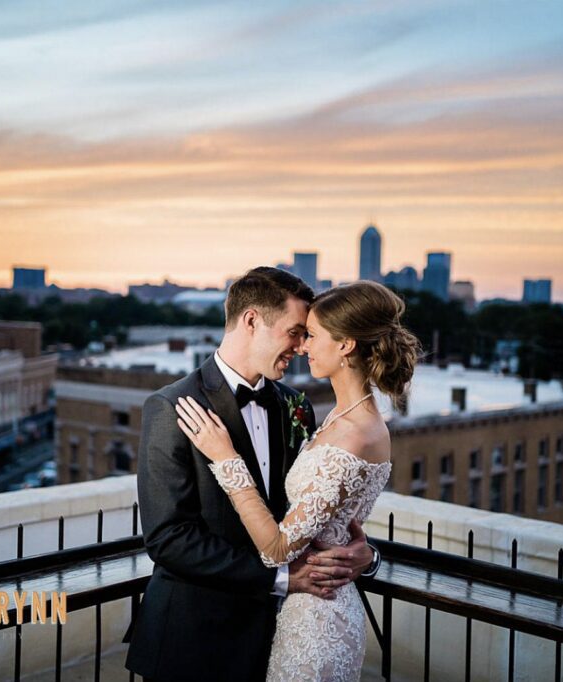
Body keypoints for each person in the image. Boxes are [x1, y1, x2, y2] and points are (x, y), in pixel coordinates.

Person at [125, 267, 380, 682]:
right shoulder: (173, 407)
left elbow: (315, 512)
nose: (301, 347)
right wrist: (282, 578)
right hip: (195, 643)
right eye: (295, 332)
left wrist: (366, 557)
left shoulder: (295, 405)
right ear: (251, 321)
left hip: (277, 641)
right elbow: (168, 539)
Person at [175, 280, 421, 681]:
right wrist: (361, 552)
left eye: (312, 335)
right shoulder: (335, 417)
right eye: (300, 334)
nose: (303, 346)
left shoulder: (353, 432)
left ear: (345, 346)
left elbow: (278, 549)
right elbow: (332, 516)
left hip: (318, 619)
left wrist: (226, 459)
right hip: (267, 617)